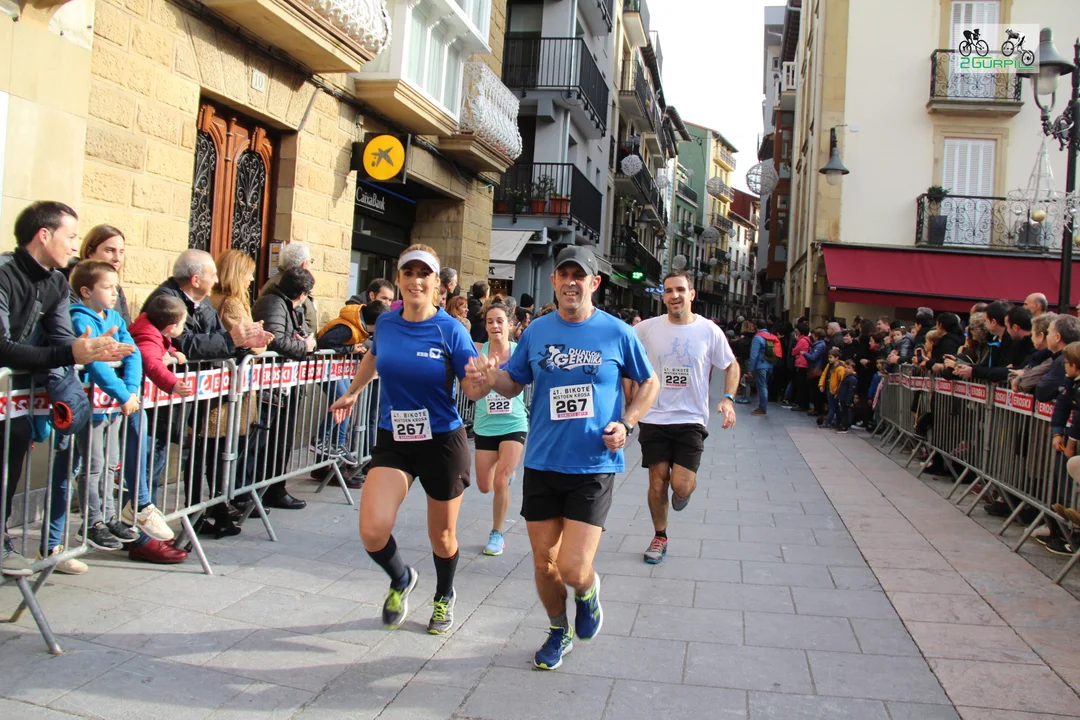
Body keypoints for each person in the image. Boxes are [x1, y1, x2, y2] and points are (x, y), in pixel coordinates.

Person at [467, 245, 659, 671]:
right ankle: (558, 630)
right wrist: (490, 376)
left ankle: (587, 592)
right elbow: (514, 384)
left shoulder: (617, 332)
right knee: (544, 562)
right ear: (554, 281)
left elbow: (649, 383)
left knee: (573, 568)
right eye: (564, 275)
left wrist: (627, 423)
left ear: (595, 282)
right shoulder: (536, 331)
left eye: (579, 275)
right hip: (542, 462)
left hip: (593, 465)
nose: (571, 282)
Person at [329, 244, 487, 635]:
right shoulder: (386, 324)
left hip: (441, 442)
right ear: (399, 279)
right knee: (372, 530)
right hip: (395, 438)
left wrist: (482, 380)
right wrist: (354, 391)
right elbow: (374, 356)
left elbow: (471, 389)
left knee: (442, 536)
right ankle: (401, 578)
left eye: (424, 274)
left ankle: (444, 594)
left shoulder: (451, 329)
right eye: (409, 273)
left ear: (438, 285)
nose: (416, 281)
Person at [1, 202, 134, 577]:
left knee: (10, 464)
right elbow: (3, 346)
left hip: (17, 399)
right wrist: (71, 352)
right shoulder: (4, 274)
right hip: (7, 386)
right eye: (71, 236)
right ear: (44, 235)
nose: (76, 246)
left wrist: (87, 351)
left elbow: (62, 340)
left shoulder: (58, 282)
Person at [47, 261, 172, 572]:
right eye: (107, 287)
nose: (115, 292)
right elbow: (96, 364)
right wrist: (123, 394)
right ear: (86, 291)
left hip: (114, 406)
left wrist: (129, 391)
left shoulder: (114, 317)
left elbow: (133, 354)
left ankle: (108, 515)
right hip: (90, 406)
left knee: (110, 462)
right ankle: (93, 520)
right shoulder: (79, 318)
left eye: (116, 287)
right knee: (93, 464)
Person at [632, 271, 738, 565]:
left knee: (680, 484)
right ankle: (660, 536)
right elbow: (620, 347)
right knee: (657, 482)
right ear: (663, 296)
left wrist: (728, 399)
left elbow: (731, 365)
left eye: (680, 289)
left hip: (691, 419)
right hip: (654, 417)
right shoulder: (647, 329)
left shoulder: (708, 330)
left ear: (692, 294)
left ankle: (683, 492)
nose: (674, 295)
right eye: (668, 291)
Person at [252, 267, 317, 510]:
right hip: (270, 387)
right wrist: (305, 347)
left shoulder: (288, 306)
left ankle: (275, 488)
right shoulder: (273, 303)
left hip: (285, 385)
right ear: (302, 294)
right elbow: (275, 339)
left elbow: (293, 334)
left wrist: (304, 340)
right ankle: (260, 492)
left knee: (281, 441)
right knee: (265, 443)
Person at [472, 297, 528, 557]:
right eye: (490, 321)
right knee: (485, 485)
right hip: (485, 424)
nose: (495, 326)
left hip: (514, 422)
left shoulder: (519, 352)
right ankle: (505, 473)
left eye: (500, 321)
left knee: (501, 480)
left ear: (510, 324)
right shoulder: (478, 352)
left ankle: (497, 534)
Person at [74, 224, 132, 323]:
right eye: (110, 250)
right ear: (90, 253)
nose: (117, 258)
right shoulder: (71, 283)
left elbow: (126, 326)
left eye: (121, 252)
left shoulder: (117, 289)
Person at [260, 242, 317, 335]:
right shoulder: (288, 285)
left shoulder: (283, 281)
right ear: (304, 264)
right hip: (294, 341)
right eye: (311, 261)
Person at [746, 319, 781, 416]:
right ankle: (763, 406)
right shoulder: (771, 336)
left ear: (756, 326)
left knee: (762, 386)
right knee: (765, 385)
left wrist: (750, 368)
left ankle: (762, 408)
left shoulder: (757, 338)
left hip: (761, 365)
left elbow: (754, 355)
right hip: (770, 364)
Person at [835, 359, 858, 434]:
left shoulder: (852, 378)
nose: (846, 369)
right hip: (842, 398)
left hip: (846, 399)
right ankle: (842, 425)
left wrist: (848, 400)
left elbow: (851, 391)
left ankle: (845, 427)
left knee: (846, 413)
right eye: (845, 367)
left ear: (853, 369)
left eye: (849, 368)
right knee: (843, 412)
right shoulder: (846, 377)